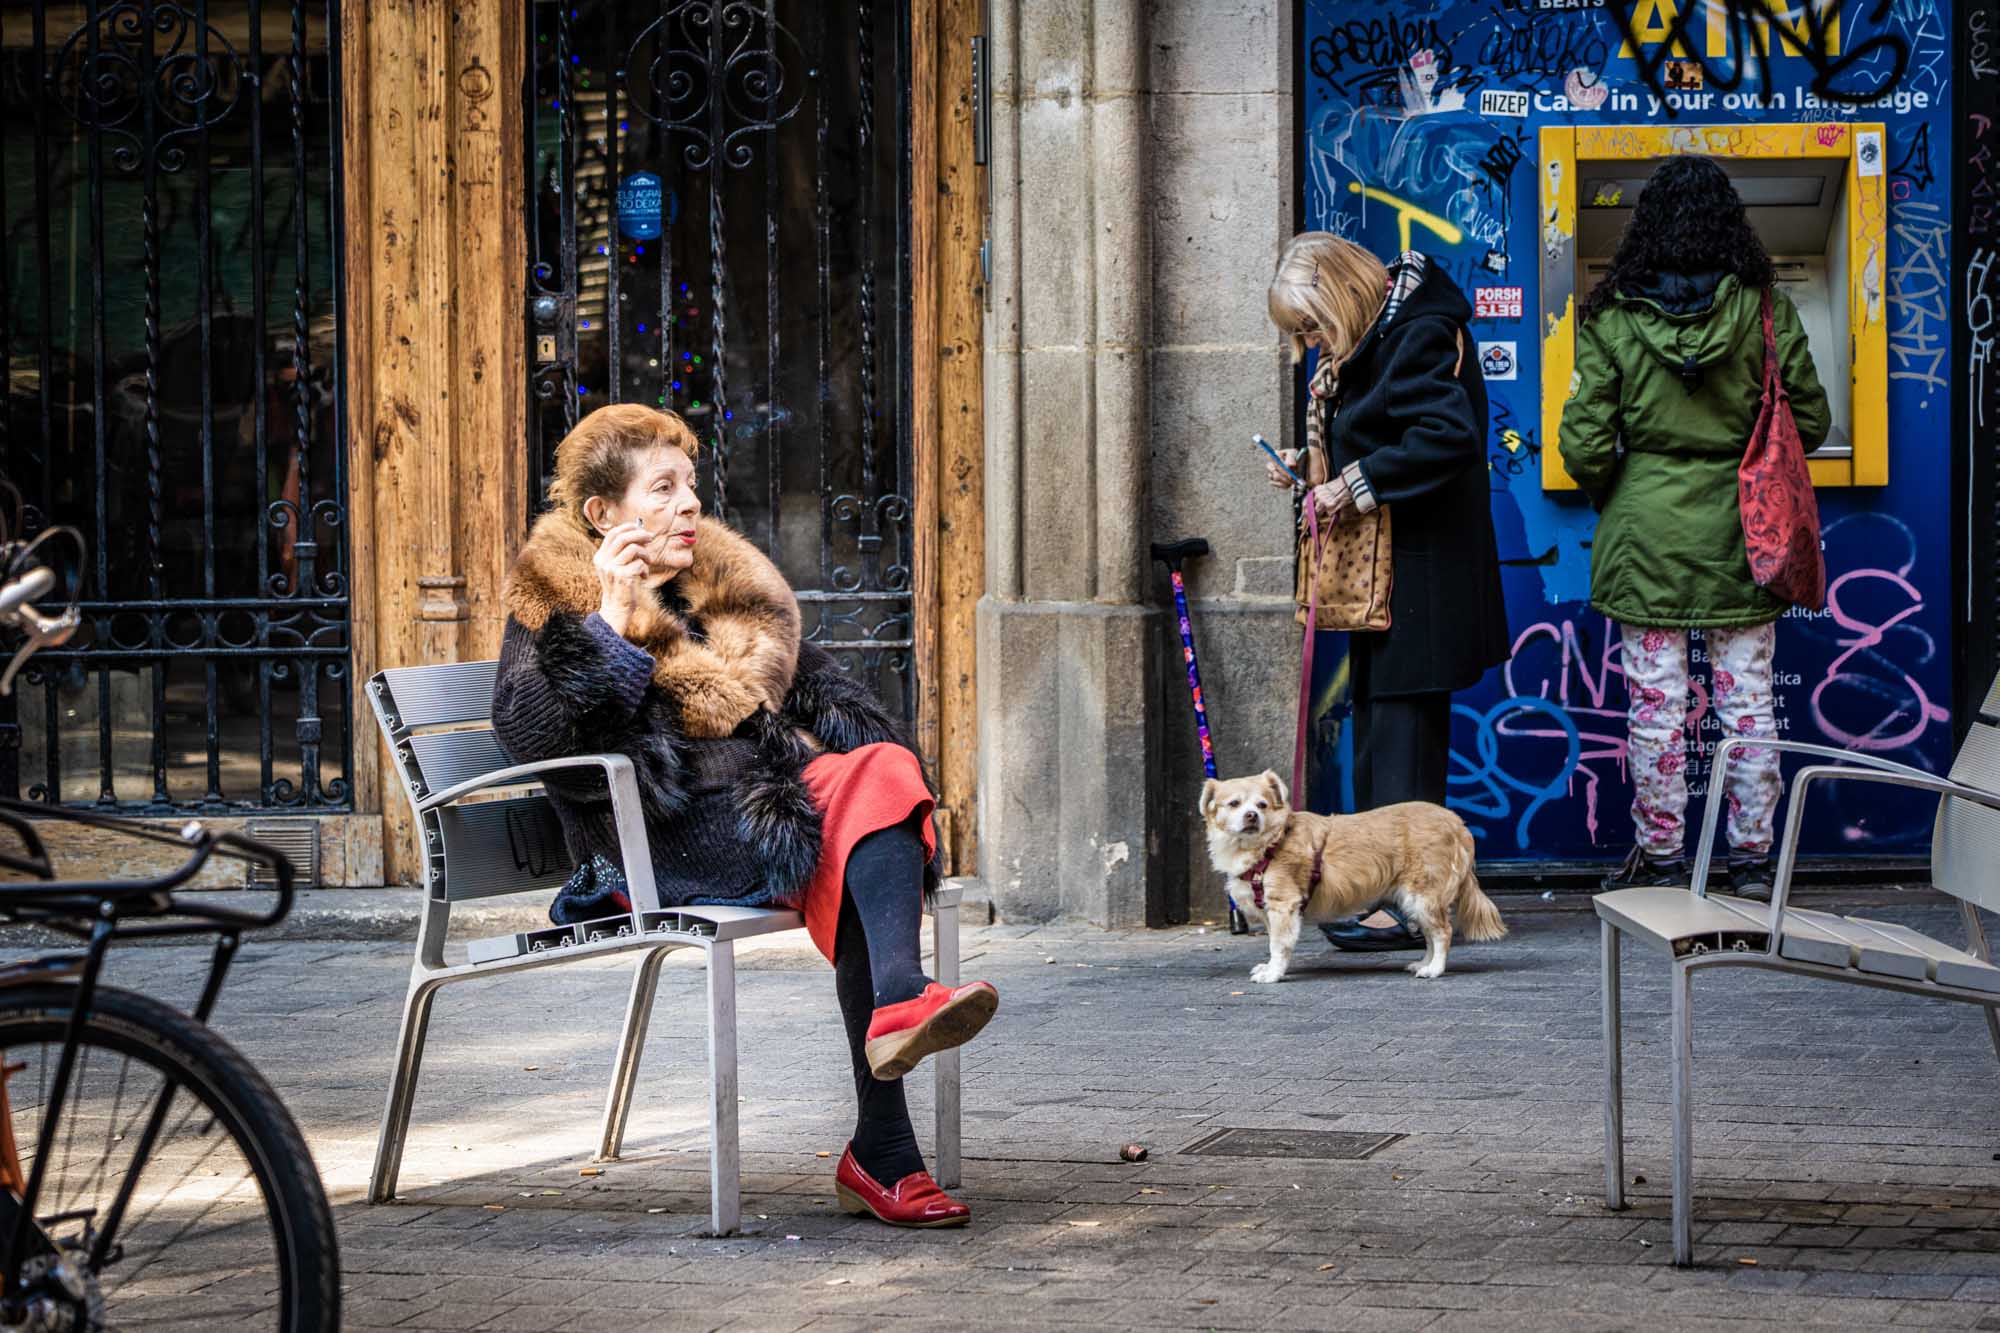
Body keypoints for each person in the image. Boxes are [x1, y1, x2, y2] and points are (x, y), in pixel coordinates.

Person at [492, 404, 997, 1227]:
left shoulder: (721, 599)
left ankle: (894, 1071)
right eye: (663, 488)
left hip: (752, 816)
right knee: (861, 814)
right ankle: (886, 1126)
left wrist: (862, 770)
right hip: (657, 842)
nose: (691, 502)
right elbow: (527, 732)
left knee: (876, 787)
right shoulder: (556, 598)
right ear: (602, 514)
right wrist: (612, 627)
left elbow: (831, 700)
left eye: (690, 484)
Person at [1557, 155, 1831, 899]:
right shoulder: (1767, 309)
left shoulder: (1612, 317)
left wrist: (1625, 484)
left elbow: (1581, 444)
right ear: (1727, 225)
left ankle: (1663, 855)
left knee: (1657, 707)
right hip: (1747, 532)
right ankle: (1751, 862)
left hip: (1645, 537)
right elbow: (1812, 418)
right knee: (1748, 701)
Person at [1264, 235, 1510, 950]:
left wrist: (1354, 481)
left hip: (1422, 578)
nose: (1308, 342)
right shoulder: (1377, 338)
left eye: (1311, 325)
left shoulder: (1422, 332)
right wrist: (1311, 468)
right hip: (1387, 580)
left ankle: (1407, 902)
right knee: (1379, 738)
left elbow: (1447, 434)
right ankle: (1386, 891)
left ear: (1340, 297)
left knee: (1402, 747)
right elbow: (1373, 439)